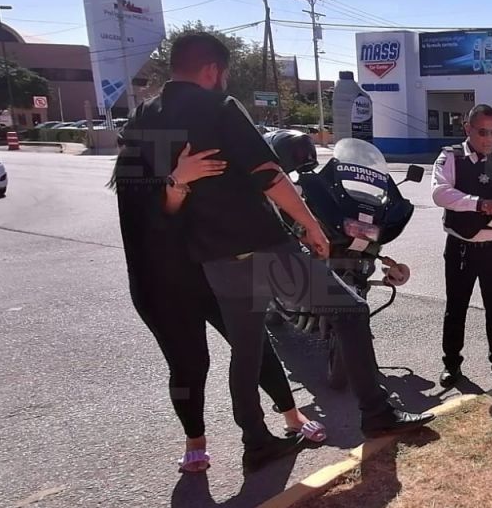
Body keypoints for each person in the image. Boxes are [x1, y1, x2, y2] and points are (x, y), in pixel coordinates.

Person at [123, 32, 434, 471]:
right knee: (350, 309)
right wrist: (310, 227)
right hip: (263, 248)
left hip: (213, 260)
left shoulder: (144, 118)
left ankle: (256, 442)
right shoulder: (220, 108)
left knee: (247, 350)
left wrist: (178, 182)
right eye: (224, 73)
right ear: (212, 70)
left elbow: (152, 200)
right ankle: (378, 415)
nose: (224, 80)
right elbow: (270, 174)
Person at [114, 130, 326, 473]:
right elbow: (155, 225)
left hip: (212, 271)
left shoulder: (193, 151)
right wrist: (177, 181)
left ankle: (291, 414)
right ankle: (195, 443)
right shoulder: (137, 165)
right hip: (161, 286)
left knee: (254, 344)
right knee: (188, 365)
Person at [430, 104, 492, 388]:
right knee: (456, 307)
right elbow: (439, 193)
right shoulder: (451, 157)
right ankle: (451, 364)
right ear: (467, 129)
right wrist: (476, 203)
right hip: (462, 247)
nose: (489, 138)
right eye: (482, 132)